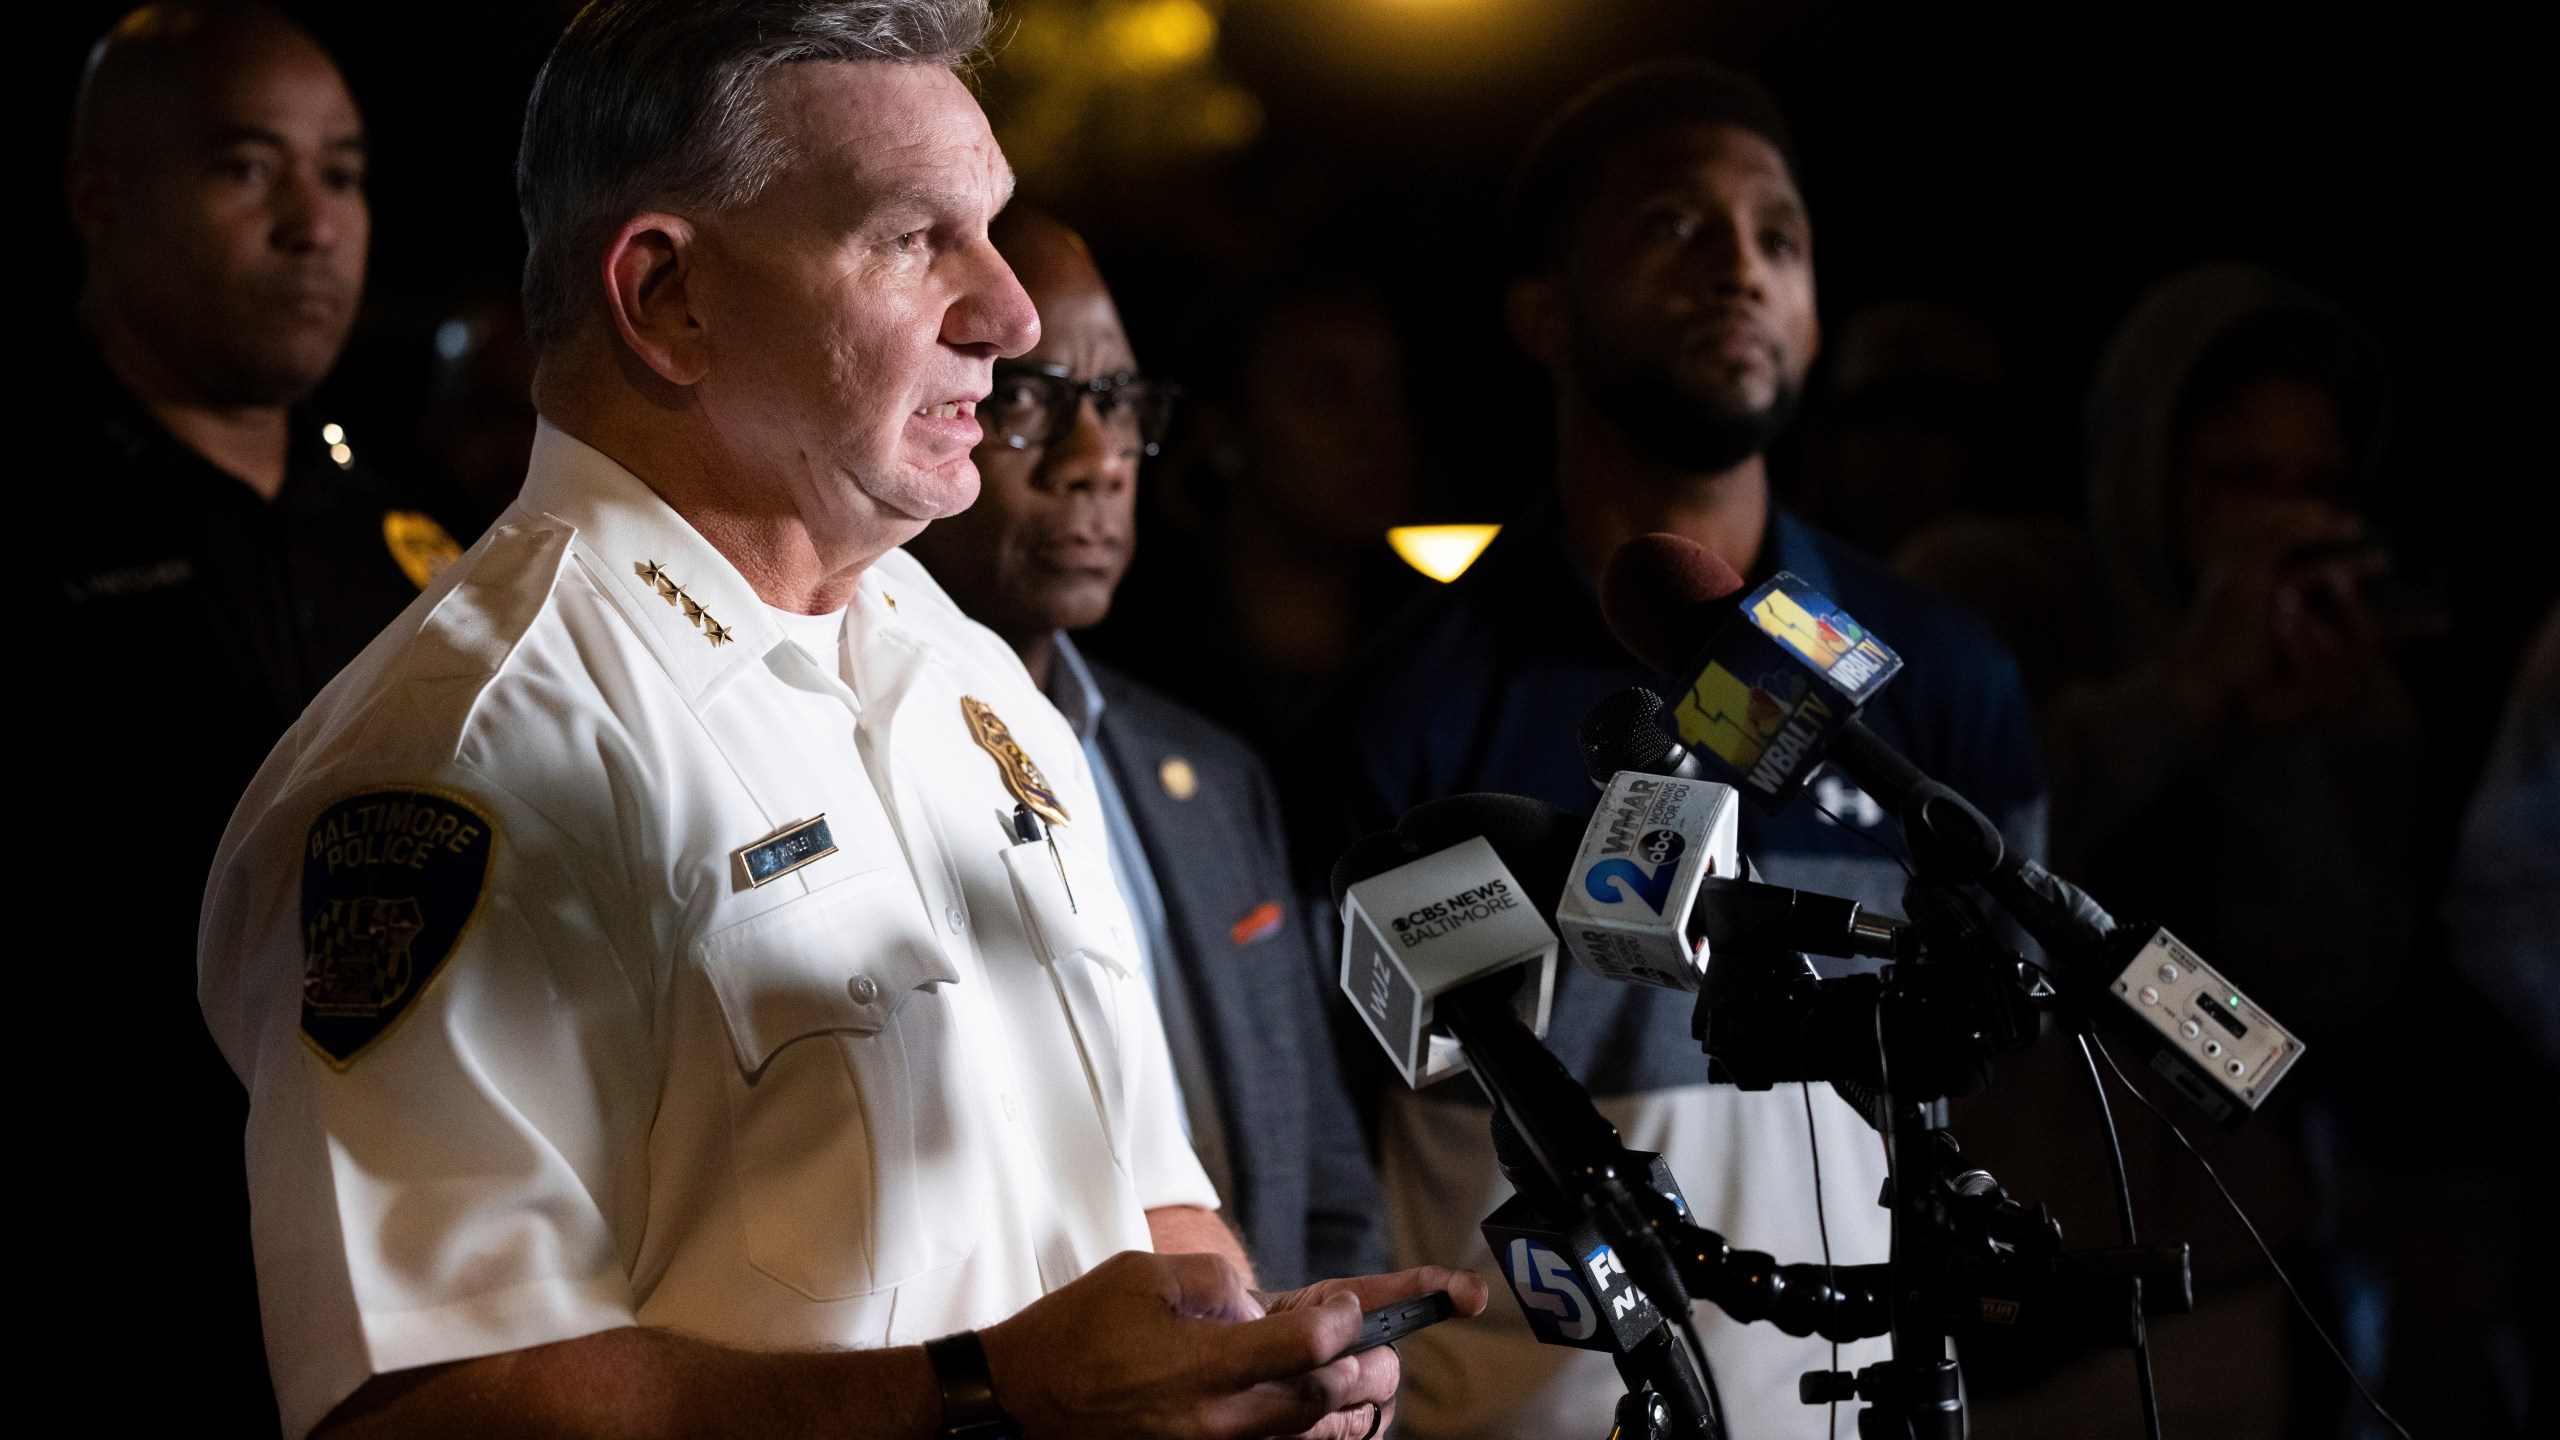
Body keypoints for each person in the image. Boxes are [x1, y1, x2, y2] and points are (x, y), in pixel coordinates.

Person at [196, 3, 1479, 1436]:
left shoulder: (977, 678)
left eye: (988, 229)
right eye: (910, 240)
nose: (1011, 313)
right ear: (671, 299)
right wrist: (982, 1401)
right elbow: (432, 1408)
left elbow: (1148, 1194)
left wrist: (1246, 1362)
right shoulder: (468, 759)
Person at [1293, 62, 2049, 1439]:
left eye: (1779, 236)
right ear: (1541, 311)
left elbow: (2013, 1068)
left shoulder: (1941, 677)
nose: (1740, 271)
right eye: (1673, 228)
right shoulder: (1405, 710)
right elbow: (1331, 1133)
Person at [1899, 263, 2422, 1437]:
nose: (2276, 521)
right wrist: (2181, 698)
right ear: (2146, 456)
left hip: (2222, 1270)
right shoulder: (1992, 593)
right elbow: (1959, 861)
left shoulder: (2347, 682)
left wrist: (2280, 738)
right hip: (2000, 1274)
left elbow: (2333, 988)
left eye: (2314, 486)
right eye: (2237, 478)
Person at [36, 5, 463, 1432]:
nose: (312, 224)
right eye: (246, 170)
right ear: (103, 198)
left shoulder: (412, 533)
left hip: (393, 1292)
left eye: (340, 174)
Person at [906, 205, 1387, 1291]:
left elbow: (1323, 1181)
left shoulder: (1210, 779)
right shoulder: (831, 768)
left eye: (1118, 402)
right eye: (1029, 399)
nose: (1097, 460)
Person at [1093, 271, 1426, 754]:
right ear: (1222, 430)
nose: (1378, 431)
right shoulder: (1133, 663)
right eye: (1328, 393)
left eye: (1391, 393)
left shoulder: (1446, 650)